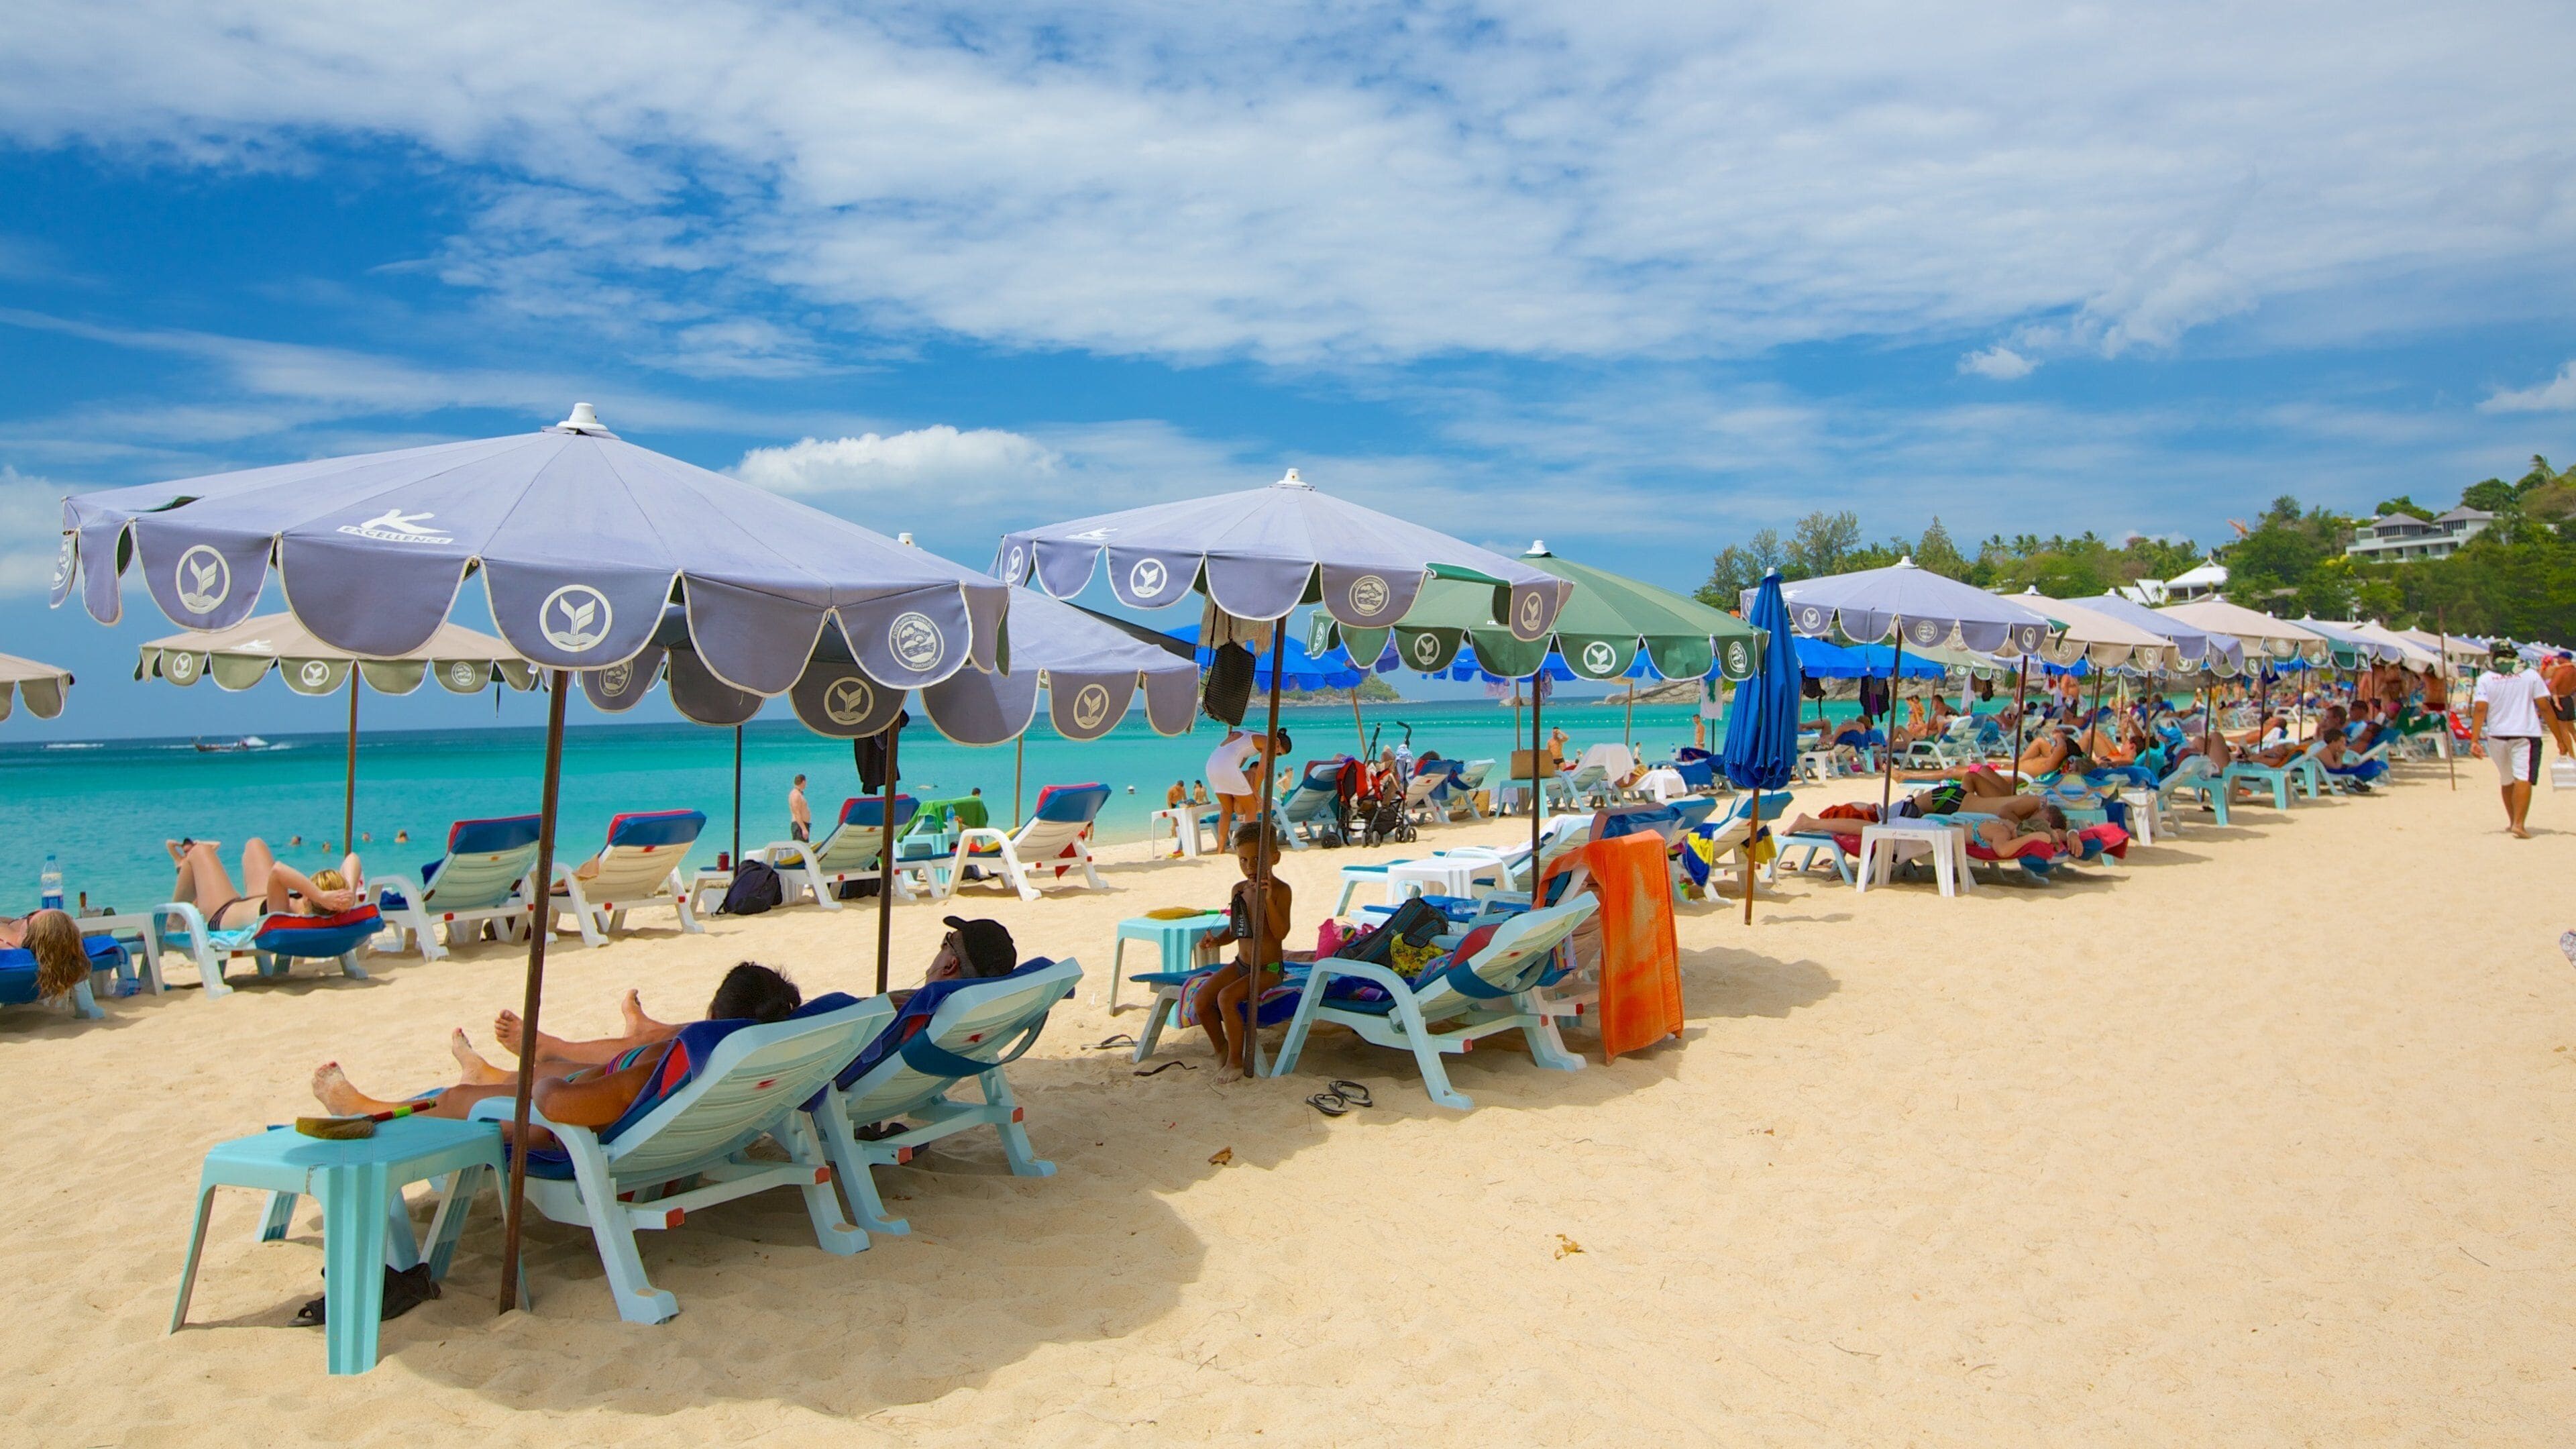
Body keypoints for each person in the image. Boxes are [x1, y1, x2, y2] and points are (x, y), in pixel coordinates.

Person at [313, 962, 807, 1138]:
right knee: (546, 1067)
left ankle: (367, 1109)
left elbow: (574, 1106)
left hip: (572, 1134)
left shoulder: (680, 1057)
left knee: (457, 1102)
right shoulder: (767, 1051)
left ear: (712, 1016)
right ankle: (488, 1073)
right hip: (658, 1118)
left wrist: (549, 1088)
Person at [1187, 824, 1294, 1083]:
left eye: (1257, 859)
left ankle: (1236, 1061)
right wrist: (1216, 941)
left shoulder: (1281, 891)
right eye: (1243, 860)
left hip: (1267, 970)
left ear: (1275, 858)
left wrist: (1267, 900)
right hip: (1241, 965)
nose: (1249, 867)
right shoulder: (1239, 890)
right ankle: (1222, 1049)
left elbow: (1281, 934)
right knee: (1201, 1001)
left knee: (1226, 998)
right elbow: (1237, 930)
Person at [166, 839, 361, 932]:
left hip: (221, 912)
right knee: (255, 844)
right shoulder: (332, 906)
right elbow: (352, 858)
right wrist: (350, 893)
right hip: (257, 901)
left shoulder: (282, 911)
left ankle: (174, 920)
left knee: (199, 852)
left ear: (310, 897)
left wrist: (320, 895)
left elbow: (278, 870)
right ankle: (184, 871)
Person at [2472, 643, 2557, 839]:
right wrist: (2559, 738)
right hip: (2525, 733)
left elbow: (2480, 709)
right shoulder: (2530, 676)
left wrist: (2474, 740)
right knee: (2523, 777)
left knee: (2507, 779)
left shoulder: (2486, 679)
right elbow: (2544, 707)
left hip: (2496, 735)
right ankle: (2519, 824)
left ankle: (2512, 822)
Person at [0, 908, 88, 1004]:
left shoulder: (6, 948)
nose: (37, 910)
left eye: (31, 916)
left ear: (29, 935)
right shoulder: (65, 954)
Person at [1206, 727, 1260, 855]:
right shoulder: (1264, 741)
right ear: (1278, 744)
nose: (1277, 755)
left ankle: (1220, 850)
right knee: (1252, 808)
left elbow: (1239, 762)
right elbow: (1262, 771)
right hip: (1227, 768)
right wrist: (1258, 798)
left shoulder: (1241, 736)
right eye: (1279, 753)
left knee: (1226, 811)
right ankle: (1249, 847)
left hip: (1212, 766)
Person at [2545, 652, 2576, 757]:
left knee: (2563, 730)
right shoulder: (2574, 670)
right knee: (2572, 728)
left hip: (2560, 699)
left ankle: (2572, 755)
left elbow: (2552, 686)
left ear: (2564, 659)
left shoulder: (2561, 671)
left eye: (2559, 658)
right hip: (2569, 699)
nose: (2557, 660)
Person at [788, 773, 812, 843]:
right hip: (799, 826)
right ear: (803, 782)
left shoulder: (799, 794)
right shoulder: (796, 795)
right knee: (801, 849)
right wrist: (804, 829)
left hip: (802, 825)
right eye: (806, 782)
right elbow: (797, 813)